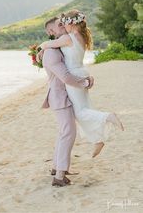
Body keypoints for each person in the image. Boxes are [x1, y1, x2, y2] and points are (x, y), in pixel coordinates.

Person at [40, 10, 124, 160]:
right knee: (85, 108)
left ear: (71, 24)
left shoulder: (68, 38)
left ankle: (108, 117)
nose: (62, 26)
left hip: (74, 76)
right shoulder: (81, 37)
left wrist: (41, 48)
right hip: (82, 71)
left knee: (80, 113)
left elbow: (48, 43)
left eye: (63, 23)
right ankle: (98, 140)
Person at [41, 16, 94, 187]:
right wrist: (84, 83)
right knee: (68, 133)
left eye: (63, 22)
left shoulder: (59, 47)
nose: (62, 25)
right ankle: (59, 177)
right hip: (59, 97)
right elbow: (65, 77)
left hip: (65, 96)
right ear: (51, 32)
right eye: (59, 25)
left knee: (65, 133)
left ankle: (57, 168)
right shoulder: (51, 52)